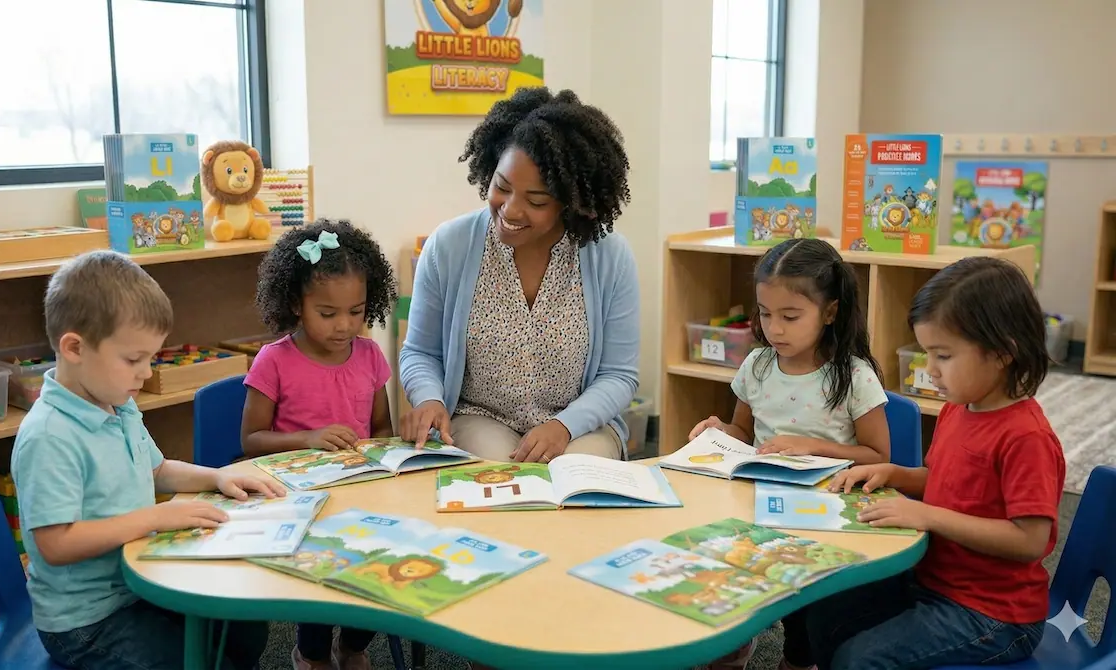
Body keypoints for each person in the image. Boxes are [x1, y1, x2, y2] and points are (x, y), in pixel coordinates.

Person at [12, 250, 283, 670]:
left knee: (243, 625)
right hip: (87, 622)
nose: (145, 373)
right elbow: (56, 544)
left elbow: (156, 469)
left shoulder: (116, 402)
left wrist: (218, 477)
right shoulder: (50, 436)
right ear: (74, 348)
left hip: (139, 584)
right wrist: (155, 518)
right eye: (133, 360)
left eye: (152, 358)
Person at [808, 255, 1064, 670]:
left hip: (994, 615)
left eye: (943, 356)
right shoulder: (959, 408)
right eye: (927, 353)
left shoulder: (1026, 437)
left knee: (861, 658)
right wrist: (895, 475)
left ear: (1002, 353)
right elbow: (945, 481)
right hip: (931, 580)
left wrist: (929, 516)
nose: (930, 370)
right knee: (826, 611)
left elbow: (1029, 541)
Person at [398, 86, 639, 464]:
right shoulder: (449, 246)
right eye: (502, 187)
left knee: (578, 477)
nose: (510, 210)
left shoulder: (610, 256)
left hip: (580, 424)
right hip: (479, 417)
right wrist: (429, 398)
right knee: (500, 476)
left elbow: (619, 375)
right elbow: (420, 352)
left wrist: (564, 426)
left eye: (537, 201)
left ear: (572, 203)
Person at [687, 238, 891, 670]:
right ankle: (734, 640)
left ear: (830, 312)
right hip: (757, 496)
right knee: (720, 555)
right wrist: (717, 432)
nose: (774, 328)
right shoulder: (758, 365)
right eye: (765, 314)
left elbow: (877, 455)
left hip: (825, 506)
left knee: (806, 599)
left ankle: (799, 657)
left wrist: (813, 445)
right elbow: (743, 431)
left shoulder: (853, 375)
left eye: (790, 316)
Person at [240, 220, 398, 670]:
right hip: (299, 499)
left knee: (374, 560)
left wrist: (382, 454)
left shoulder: (369, 355)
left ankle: (353, 645)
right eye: (327, 313)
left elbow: (381, 426)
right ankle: (310, 653)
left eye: (357, 311)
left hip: (359, 492)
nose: (344, 325)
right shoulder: (274, 360)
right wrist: (308, 438)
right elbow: (250, 440)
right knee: (317, 574)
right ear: (296, 303)